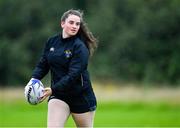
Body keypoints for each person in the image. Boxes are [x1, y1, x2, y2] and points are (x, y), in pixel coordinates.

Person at [30, 9, 98, 127]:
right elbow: (43, 64)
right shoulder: (52, 42)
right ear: (62, 23)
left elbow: (73, 75)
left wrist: (53, 89)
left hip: (81, 97)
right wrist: (33, 79)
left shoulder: (80, 47)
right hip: (59, 96)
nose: (75, 26)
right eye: (71, 22)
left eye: (77, 24)